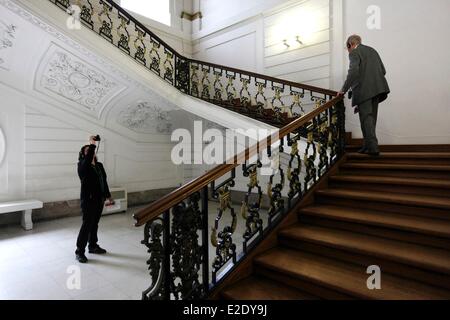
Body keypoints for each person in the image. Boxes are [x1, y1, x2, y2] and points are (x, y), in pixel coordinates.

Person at [339, 35, 390, 156]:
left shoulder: (354, 53)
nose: (349, 51)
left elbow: (353, 72)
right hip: (377, 90)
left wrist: (343, 90)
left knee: (366, 118)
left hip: (364, 91)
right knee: (371, 119)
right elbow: (383, 70)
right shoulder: (372, 50)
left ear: (350, 44)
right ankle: (367, 146)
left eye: (348, 48)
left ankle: (372, 148)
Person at [75, 135, 114, 263]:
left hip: (99, 199)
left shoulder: (99, 165)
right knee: (86, 225)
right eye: (87, 151)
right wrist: (91, 144)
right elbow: (86, 162)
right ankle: (79, 251)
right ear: (83, 154)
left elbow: (104, 181)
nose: (90, 152)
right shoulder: (82, 166)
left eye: (91, 150)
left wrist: (108, 195)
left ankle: (92, 246)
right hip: (88, 200)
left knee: (94, 224)